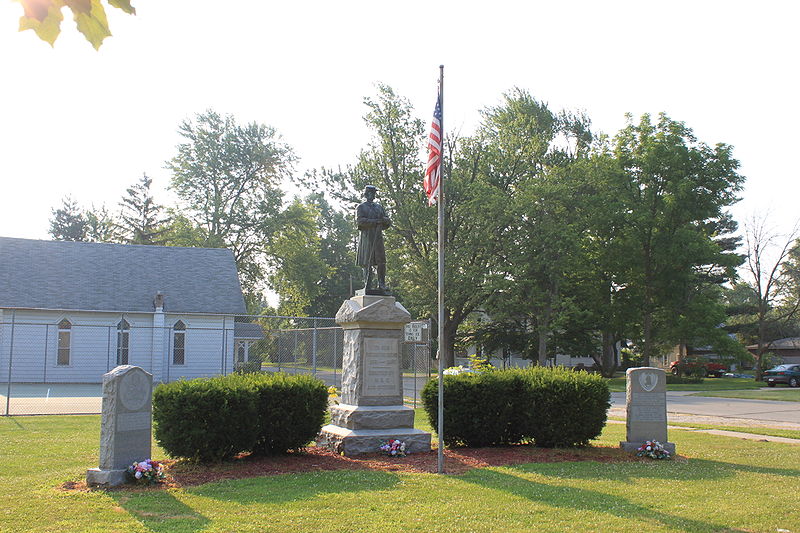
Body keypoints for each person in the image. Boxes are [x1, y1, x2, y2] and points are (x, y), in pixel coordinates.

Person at [356, 185, 391, 292]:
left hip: (378, 237)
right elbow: (360, 222)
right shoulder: (361, 207)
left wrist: (385, 221)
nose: (373, 195)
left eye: (374, 193)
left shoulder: (379, 207)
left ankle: (381, 284)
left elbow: (387, 222)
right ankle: (367, 284)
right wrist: (375, 222)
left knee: (381, 261)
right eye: (371, 193)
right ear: (366, 194)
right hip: (367, 237)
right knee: (367, 262)